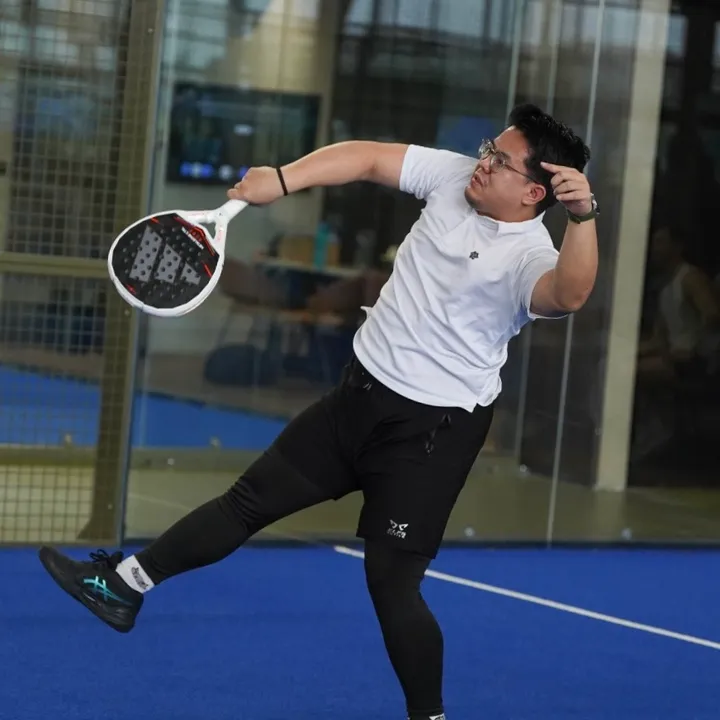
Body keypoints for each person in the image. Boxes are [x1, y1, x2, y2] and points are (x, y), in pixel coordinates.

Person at [38, 103, 598, 720]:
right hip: (357, 398)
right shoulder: (453, 176)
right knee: (246, 501)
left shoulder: (529, 256)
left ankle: (430, 717)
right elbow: (365, 157)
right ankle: (123, 586)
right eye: (488, 148)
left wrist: (583, 217)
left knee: (392, 584)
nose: (483, 161)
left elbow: (569, 294)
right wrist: (281, 180)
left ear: (534, 192)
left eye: (499, 160)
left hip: (430, 435)